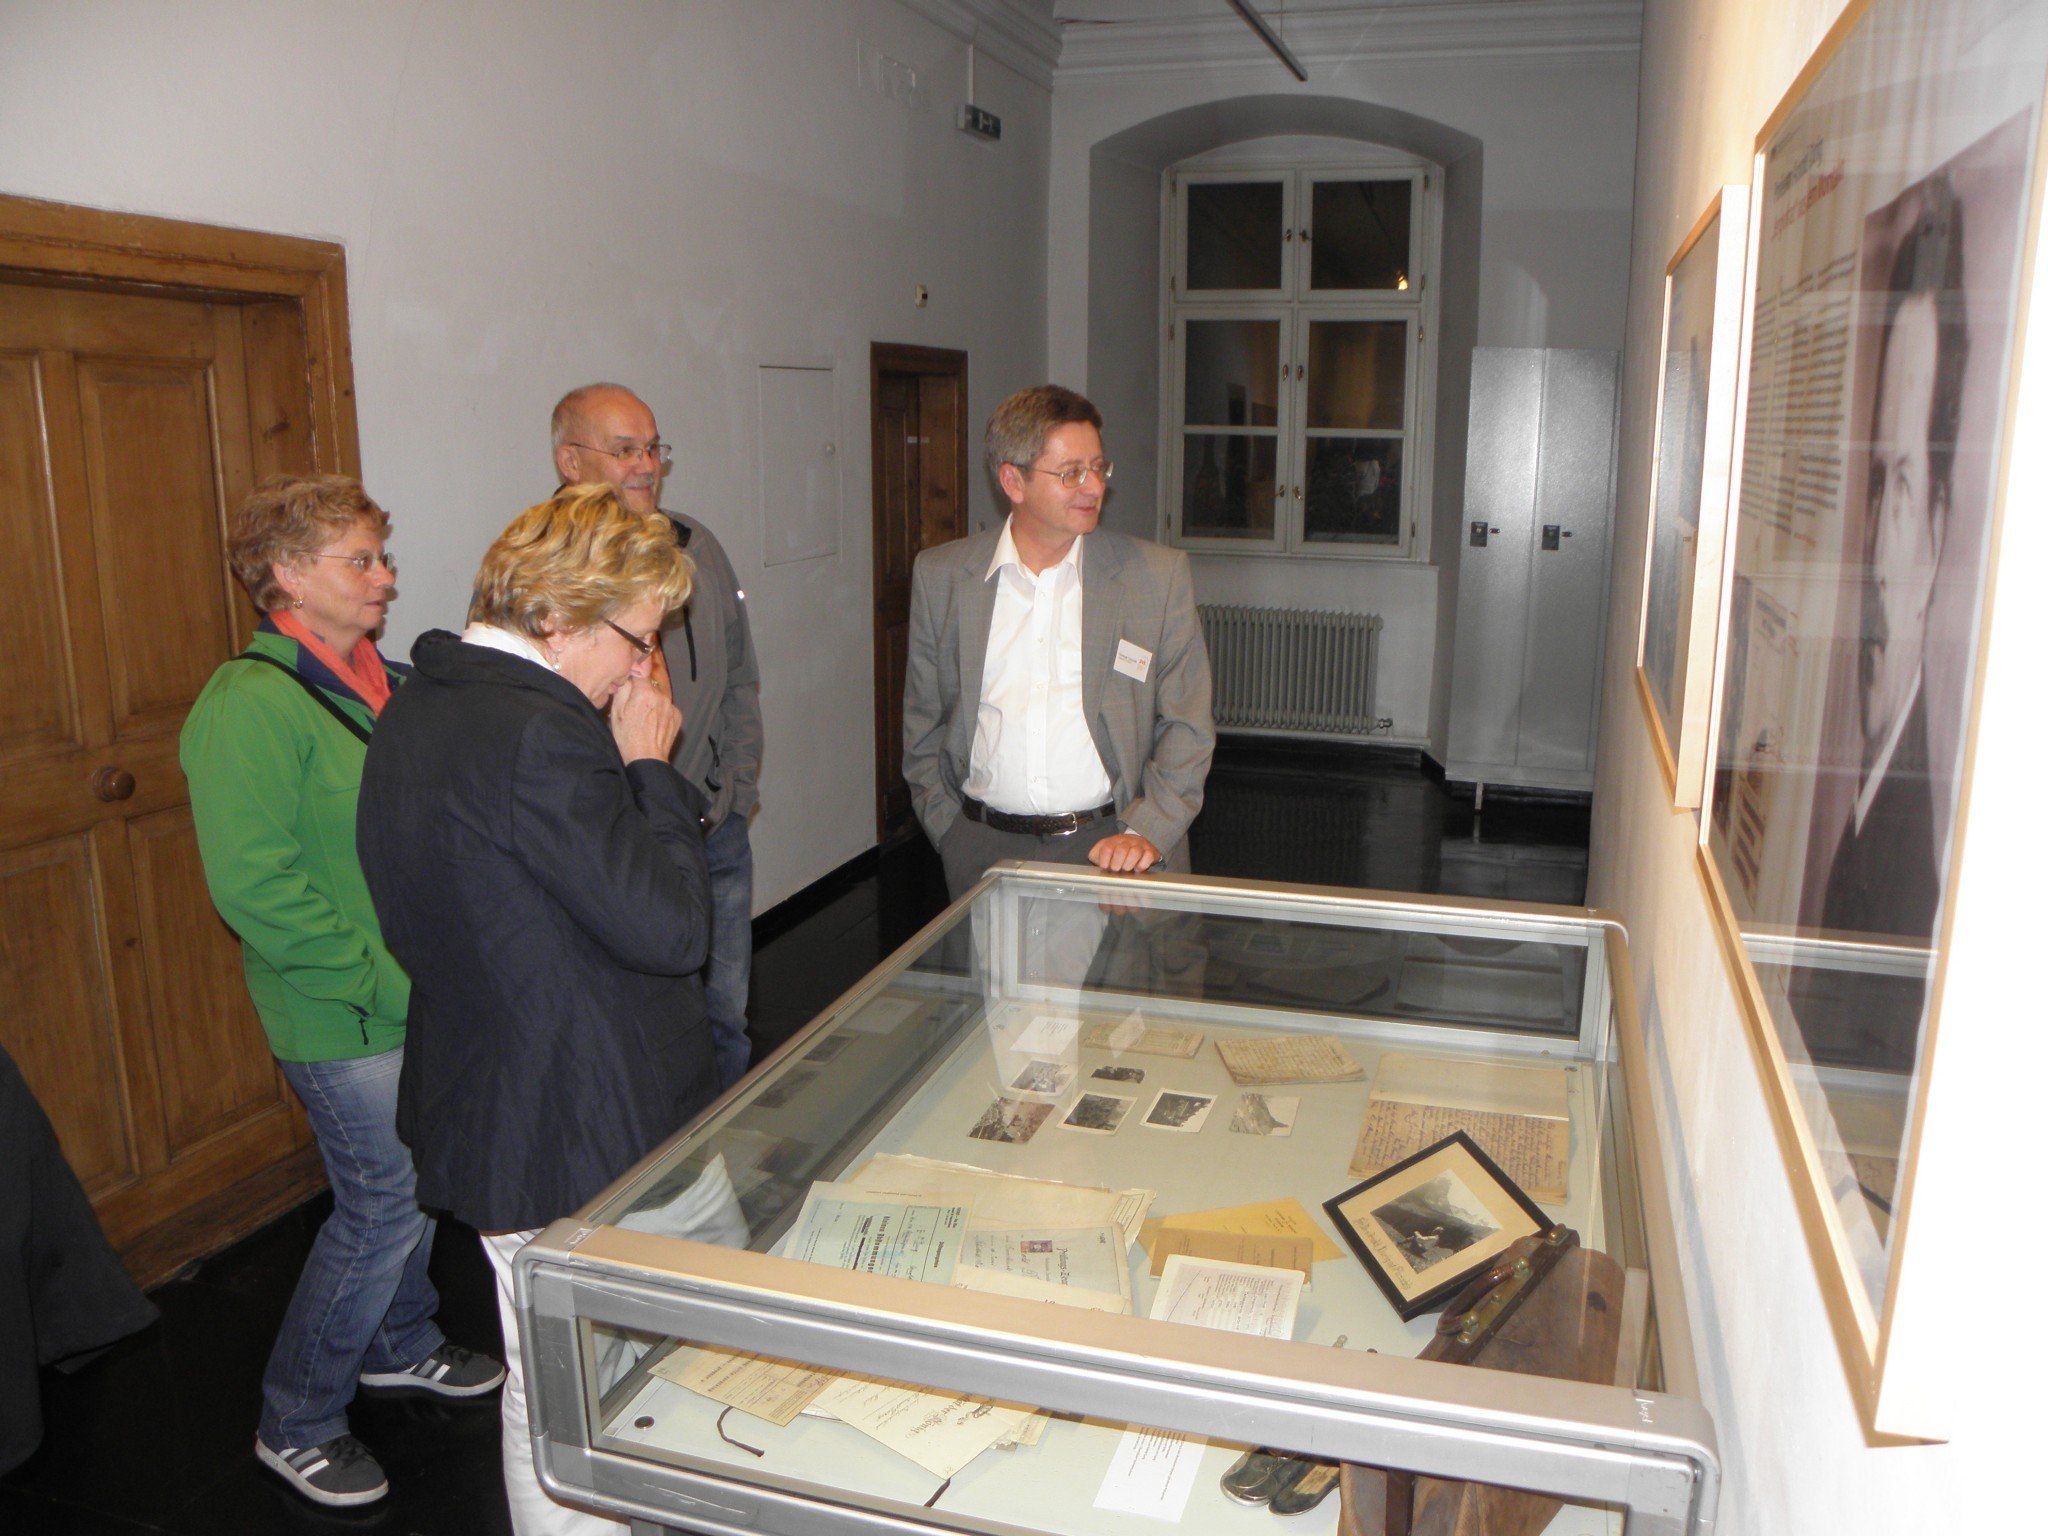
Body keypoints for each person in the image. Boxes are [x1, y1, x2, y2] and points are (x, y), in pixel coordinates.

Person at [356, 484, 720, 1535]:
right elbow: (669, 930)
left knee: (550, 1377)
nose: (642, 668)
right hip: (577, 1127)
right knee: (579, 1398)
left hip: (498, 1098)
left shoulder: (420, 701)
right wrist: (648, 767)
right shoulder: (537, 734)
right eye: (635, 639)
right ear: (556, 616)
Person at [180, 475, 502, 1510]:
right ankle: (298, 1417)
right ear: (284, 576)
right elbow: (255, 887)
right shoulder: (248, 703)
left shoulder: (380, 677)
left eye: (381, 557)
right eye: (359, 561)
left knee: (413, 1187)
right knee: (380, 1203)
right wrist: (377, 982)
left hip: (415, 990)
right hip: (342, 1006)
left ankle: (399, 1343)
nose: (386, 577)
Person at [903, 384, 1216, 898]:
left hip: (1111, 850)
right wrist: (951, 831)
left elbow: (1188, 724)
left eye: (1098, 467)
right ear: (1013, 480)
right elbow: (923, 724)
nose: (1093, 486)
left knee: (1112, 982)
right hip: (980, 849)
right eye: (1071, 473)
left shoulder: (1154, 579)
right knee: (991, 983)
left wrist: (1146, 831)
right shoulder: (943, 576)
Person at [551, 383, 762, 1088]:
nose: (646, 466)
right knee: (636, 1036)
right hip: (614, 845)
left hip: (712, 824)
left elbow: (740, 678)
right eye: (624, 450)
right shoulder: (542, 572)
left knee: (724, 1016)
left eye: (653, 448)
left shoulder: (697, 545)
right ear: (570, 461)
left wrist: (736, 785)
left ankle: (722, 1167)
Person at [1818, 174, 1969, 948]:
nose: (1874, 553)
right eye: (1874, 484)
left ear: (1939, 539)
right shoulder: (1867, 823)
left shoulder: (1917, 879)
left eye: (1904, 488)